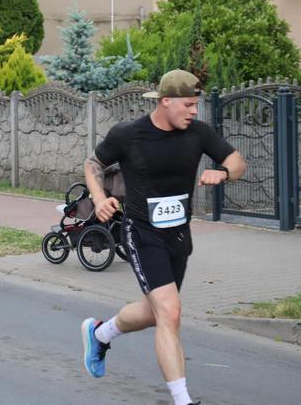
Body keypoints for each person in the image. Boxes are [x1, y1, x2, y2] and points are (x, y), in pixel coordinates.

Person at [80, 69, 246, 405]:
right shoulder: (129, 134)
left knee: (155, 312)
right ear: (166, 101)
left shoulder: (198, 134)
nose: (194, 111)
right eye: (188, 104)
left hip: (179, 236)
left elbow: (237, 160)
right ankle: (182, 400)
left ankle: (100, 334)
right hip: (141, 232)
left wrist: (224, 172)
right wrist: (99, 199)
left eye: (195, 104)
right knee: (170, 313)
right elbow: (93, 163)